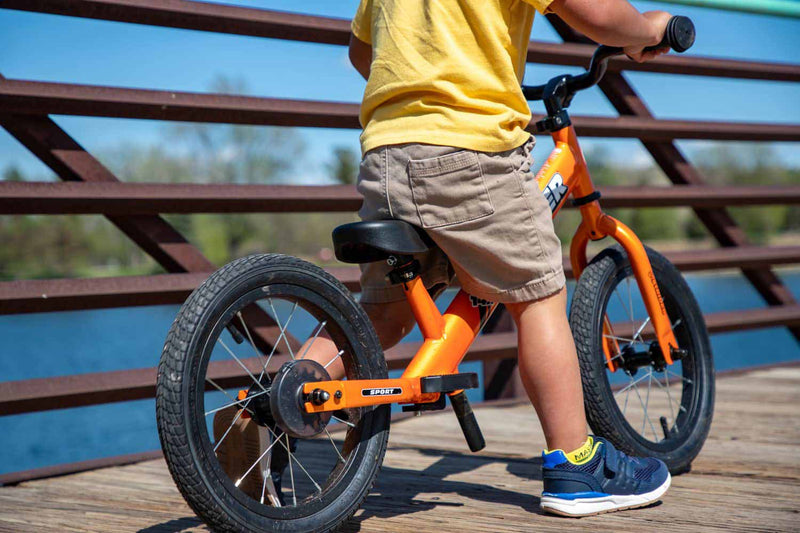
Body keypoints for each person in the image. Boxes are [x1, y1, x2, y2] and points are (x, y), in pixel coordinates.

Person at [217, 0, 674, 517]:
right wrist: (643, 31)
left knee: (382, 316)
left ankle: (274, 409)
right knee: (539, 293)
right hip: (470, 152)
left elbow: (361, 52)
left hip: (386, 155)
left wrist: (427, 72)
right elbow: (593, 12)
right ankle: (576, 464)